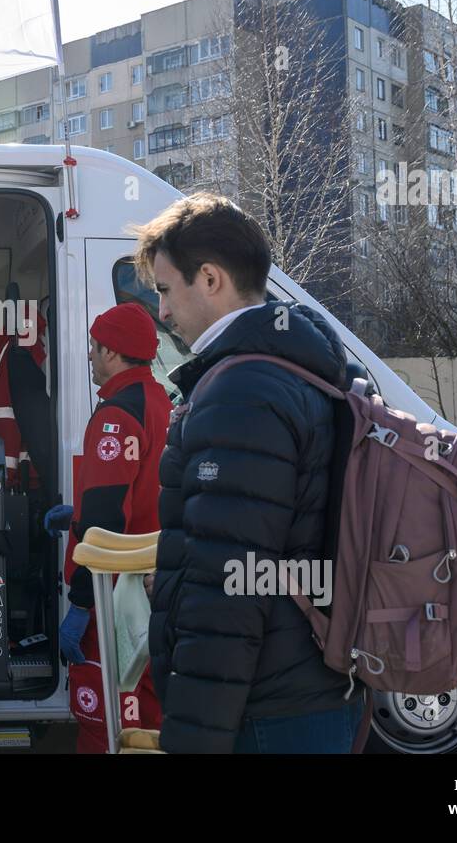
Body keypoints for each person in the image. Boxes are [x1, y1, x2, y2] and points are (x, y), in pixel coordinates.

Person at [131, 193, 365, 754]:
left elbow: (229, 586)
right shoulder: (307, 368)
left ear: (209, 278)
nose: (162, 312)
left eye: (165, 290)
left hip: (264, 711)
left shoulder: (240, 390)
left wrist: (194, 737)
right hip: (316, 686)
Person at [44, 303, 170, 754]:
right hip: (147, 588)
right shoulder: (158, 401)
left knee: (107, 723)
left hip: (111, 596)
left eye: (95, 348)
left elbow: (106, 516)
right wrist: (76, 513)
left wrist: (81, 604)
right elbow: (135, 492)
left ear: (112, 351)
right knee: (146, 717)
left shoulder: (116, 415)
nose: (91, 357)